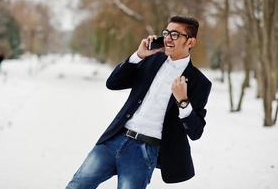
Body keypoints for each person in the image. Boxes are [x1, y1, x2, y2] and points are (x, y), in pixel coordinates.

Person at [66, 15, 212, 189]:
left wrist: (183, 101)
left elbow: (196, 132)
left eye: (175, 35)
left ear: (191, 42)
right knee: (76, 186)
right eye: (166, 33)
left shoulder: (199, 83)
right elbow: (112, 83)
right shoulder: (150, 59)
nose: (167, 38)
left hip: (143, 152)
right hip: (114, 140)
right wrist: (138, 55)